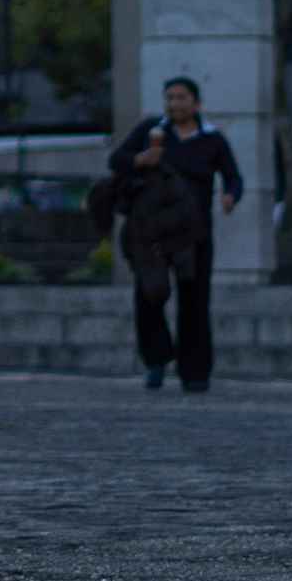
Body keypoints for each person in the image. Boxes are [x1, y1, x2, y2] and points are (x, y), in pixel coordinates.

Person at [107, 77, 243, 393]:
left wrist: (230, 197)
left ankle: (194, 372)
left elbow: (234, 177)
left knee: (195, 301)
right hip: (151, 233)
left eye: (181, 98)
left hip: (193, 234)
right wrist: (141, 159)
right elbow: (116, 161)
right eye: (169, 98)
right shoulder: (152, 131)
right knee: (149, 296)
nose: (174, 103)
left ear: (196, 104)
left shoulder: (212, 140)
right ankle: (155, 361)